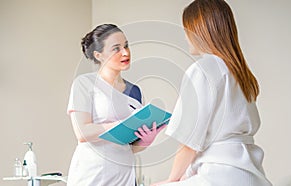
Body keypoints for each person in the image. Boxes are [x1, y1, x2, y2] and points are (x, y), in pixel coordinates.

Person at [152, 0, 272, 186]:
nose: (185, 37)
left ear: (199, 31)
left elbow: (188, 141)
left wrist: (171, 180)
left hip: (219, 174)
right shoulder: (241, 73)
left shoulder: (203, 69)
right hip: (251, 174)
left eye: (186, 30)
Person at [67, 24, 164, 186]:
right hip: (92, 175)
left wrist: (146, 140)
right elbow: (83, 133)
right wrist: (123, 125)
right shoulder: (85, 84)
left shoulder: (135, 92)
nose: (125, 52)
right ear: (99, 55)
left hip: (124, 177)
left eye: (126, 46)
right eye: (116, 48)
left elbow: (130, 148)